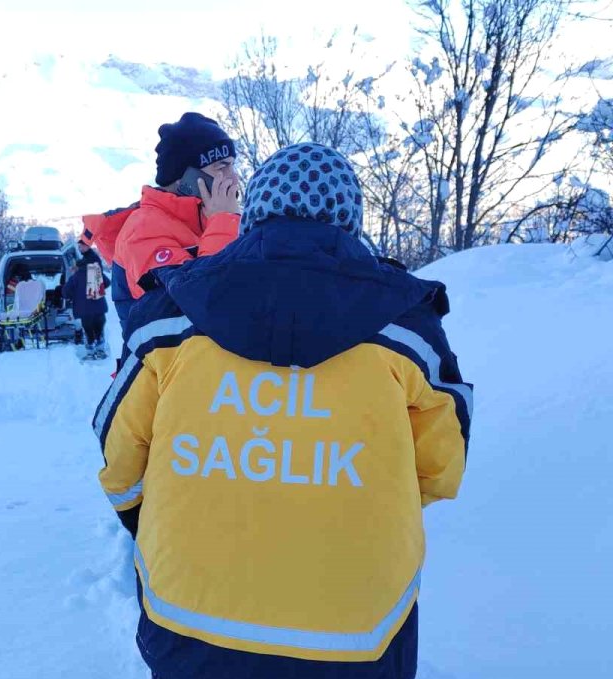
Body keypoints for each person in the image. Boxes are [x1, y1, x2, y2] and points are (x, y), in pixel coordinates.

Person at [93, 143, 472, 679]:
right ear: (350, 219)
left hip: (188, 618)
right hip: (358, 632)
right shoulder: (406, 330)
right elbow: (441, 466)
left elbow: (118, 455)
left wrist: (148, 519)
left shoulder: (172, 317)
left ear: (253, 213)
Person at [81, 112, 243, 344]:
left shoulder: (209, 219)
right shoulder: (144, 231)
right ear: (184, 177)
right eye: (221, 167)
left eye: (232, 166)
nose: (233, 178)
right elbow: (199, 307)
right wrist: (224, 222)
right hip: (168, 374)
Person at [63, 253, 110, 360]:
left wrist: (73, 295)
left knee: (88, 331)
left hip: (84, 310)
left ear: (78, 266)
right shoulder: (95, 272)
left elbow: (65, 292)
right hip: (99, 308)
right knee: (99, 330)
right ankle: (101, 351)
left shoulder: (75, 276)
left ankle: (90, 352)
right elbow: (107, 283)